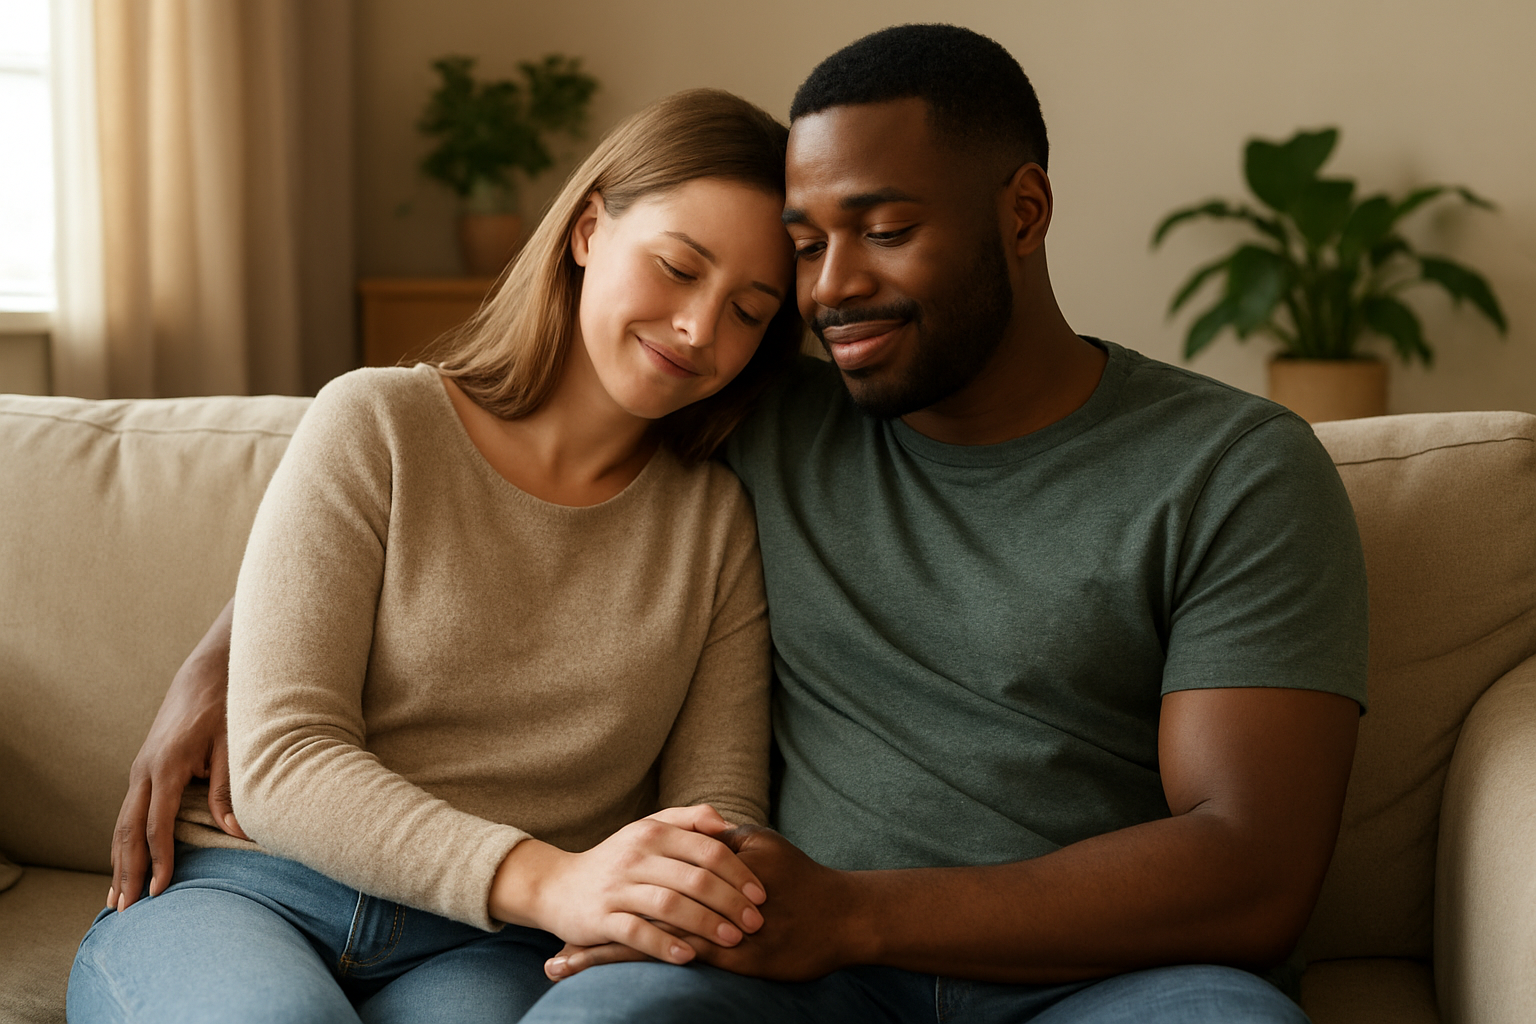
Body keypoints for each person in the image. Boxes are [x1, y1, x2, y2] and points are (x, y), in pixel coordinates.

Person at [109, 24, 1369, 1024]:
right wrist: (227, 656)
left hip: (1090, 979)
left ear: (1023, 212)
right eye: (811, 246)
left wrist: (850, 913)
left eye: (885, 231)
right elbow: (463, 475)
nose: (826, 293)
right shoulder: (777, 415)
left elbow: (1253, 872)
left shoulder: (1231, 466)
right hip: (762, 967)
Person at [67, 88, 802, 1024]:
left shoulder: (716, 526)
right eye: (676, 267)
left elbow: (716, 810)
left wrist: (665, 895)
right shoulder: (376, 423)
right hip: (250, 890)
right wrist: (551, 881)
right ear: (586, 230)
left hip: (487, 951)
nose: (701, 328)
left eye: (748, 310)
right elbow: (283, 756)